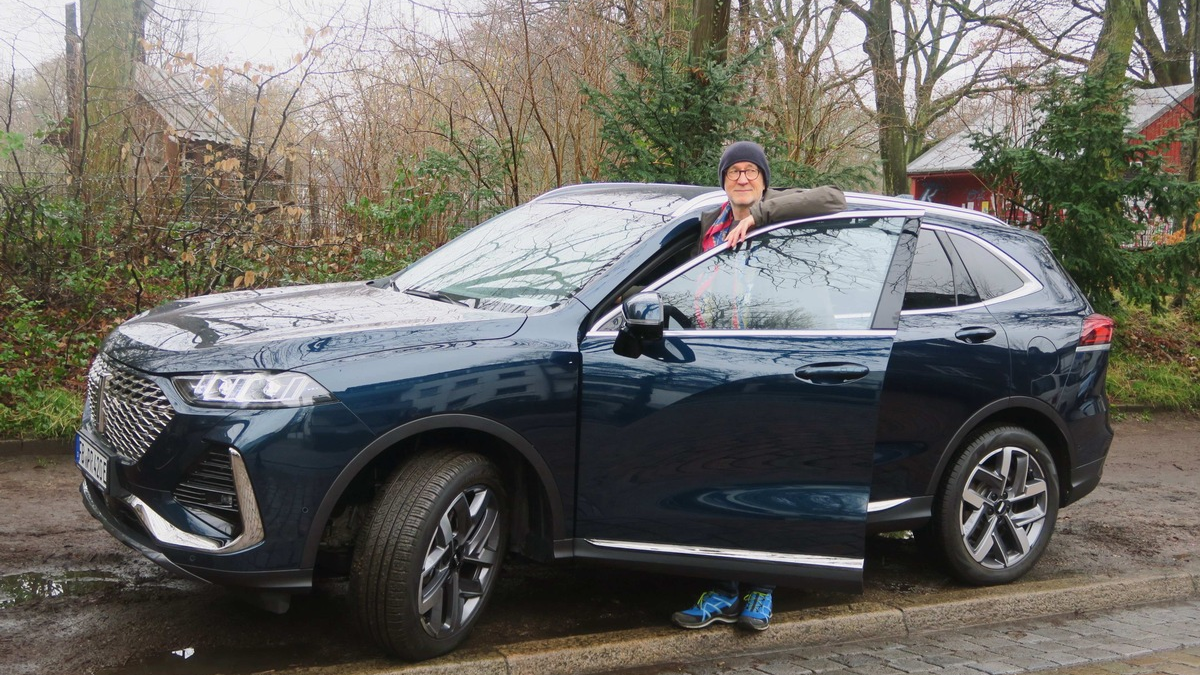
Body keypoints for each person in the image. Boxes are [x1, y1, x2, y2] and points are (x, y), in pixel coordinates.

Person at [671, 141, 846, 632]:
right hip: (716, 370)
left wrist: (763, 215)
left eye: (751, 171)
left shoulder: (786, 218)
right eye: (734, 172)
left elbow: (835, 198)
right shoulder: (707, 227)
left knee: (766, 484)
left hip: (775, 368)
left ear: (765, 180)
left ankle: (762, 591)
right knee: (716, 482)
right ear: (723, 180)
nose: (743, 179)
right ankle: (721, 590)